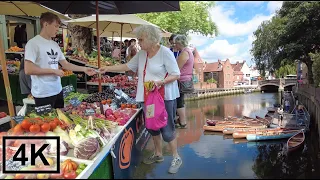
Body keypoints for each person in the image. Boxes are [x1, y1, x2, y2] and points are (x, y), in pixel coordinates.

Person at [99, 25, 182, 174]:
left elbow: (176, 74)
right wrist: (107, 69)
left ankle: (176, 157)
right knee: (152, 125)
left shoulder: (165, 53)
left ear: (151, 39)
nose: (139, 42)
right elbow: (127, 66)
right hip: (148, 97)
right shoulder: (142, 53)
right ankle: (158, 154)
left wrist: (159, 82)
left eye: (141, 39)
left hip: (164, 97)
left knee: (167, 127)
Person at [24, 12, 96, 108]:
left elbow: (66, 64)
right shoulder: (33, 43)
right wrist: (53, 71)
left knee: (61, 121)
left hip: (58, 90)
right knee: (47, 121)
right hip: (43, 93)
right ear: (46, 24)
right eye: (55, 26)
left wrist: (84, 69)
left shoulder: (54, 45)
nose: (57, 29)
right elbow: (28, 70)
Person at [173, 34, 194, 128]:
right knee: (180, 100)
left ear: (179, 43)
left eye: (175, 43)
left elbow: (176, 68)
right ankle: (181, 120)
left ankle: (182, 122)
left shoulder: (184, 53)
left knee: (179, 101)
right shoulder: (188, 51)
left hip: (181, 80)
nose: (174, 46)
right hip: (186, 80)